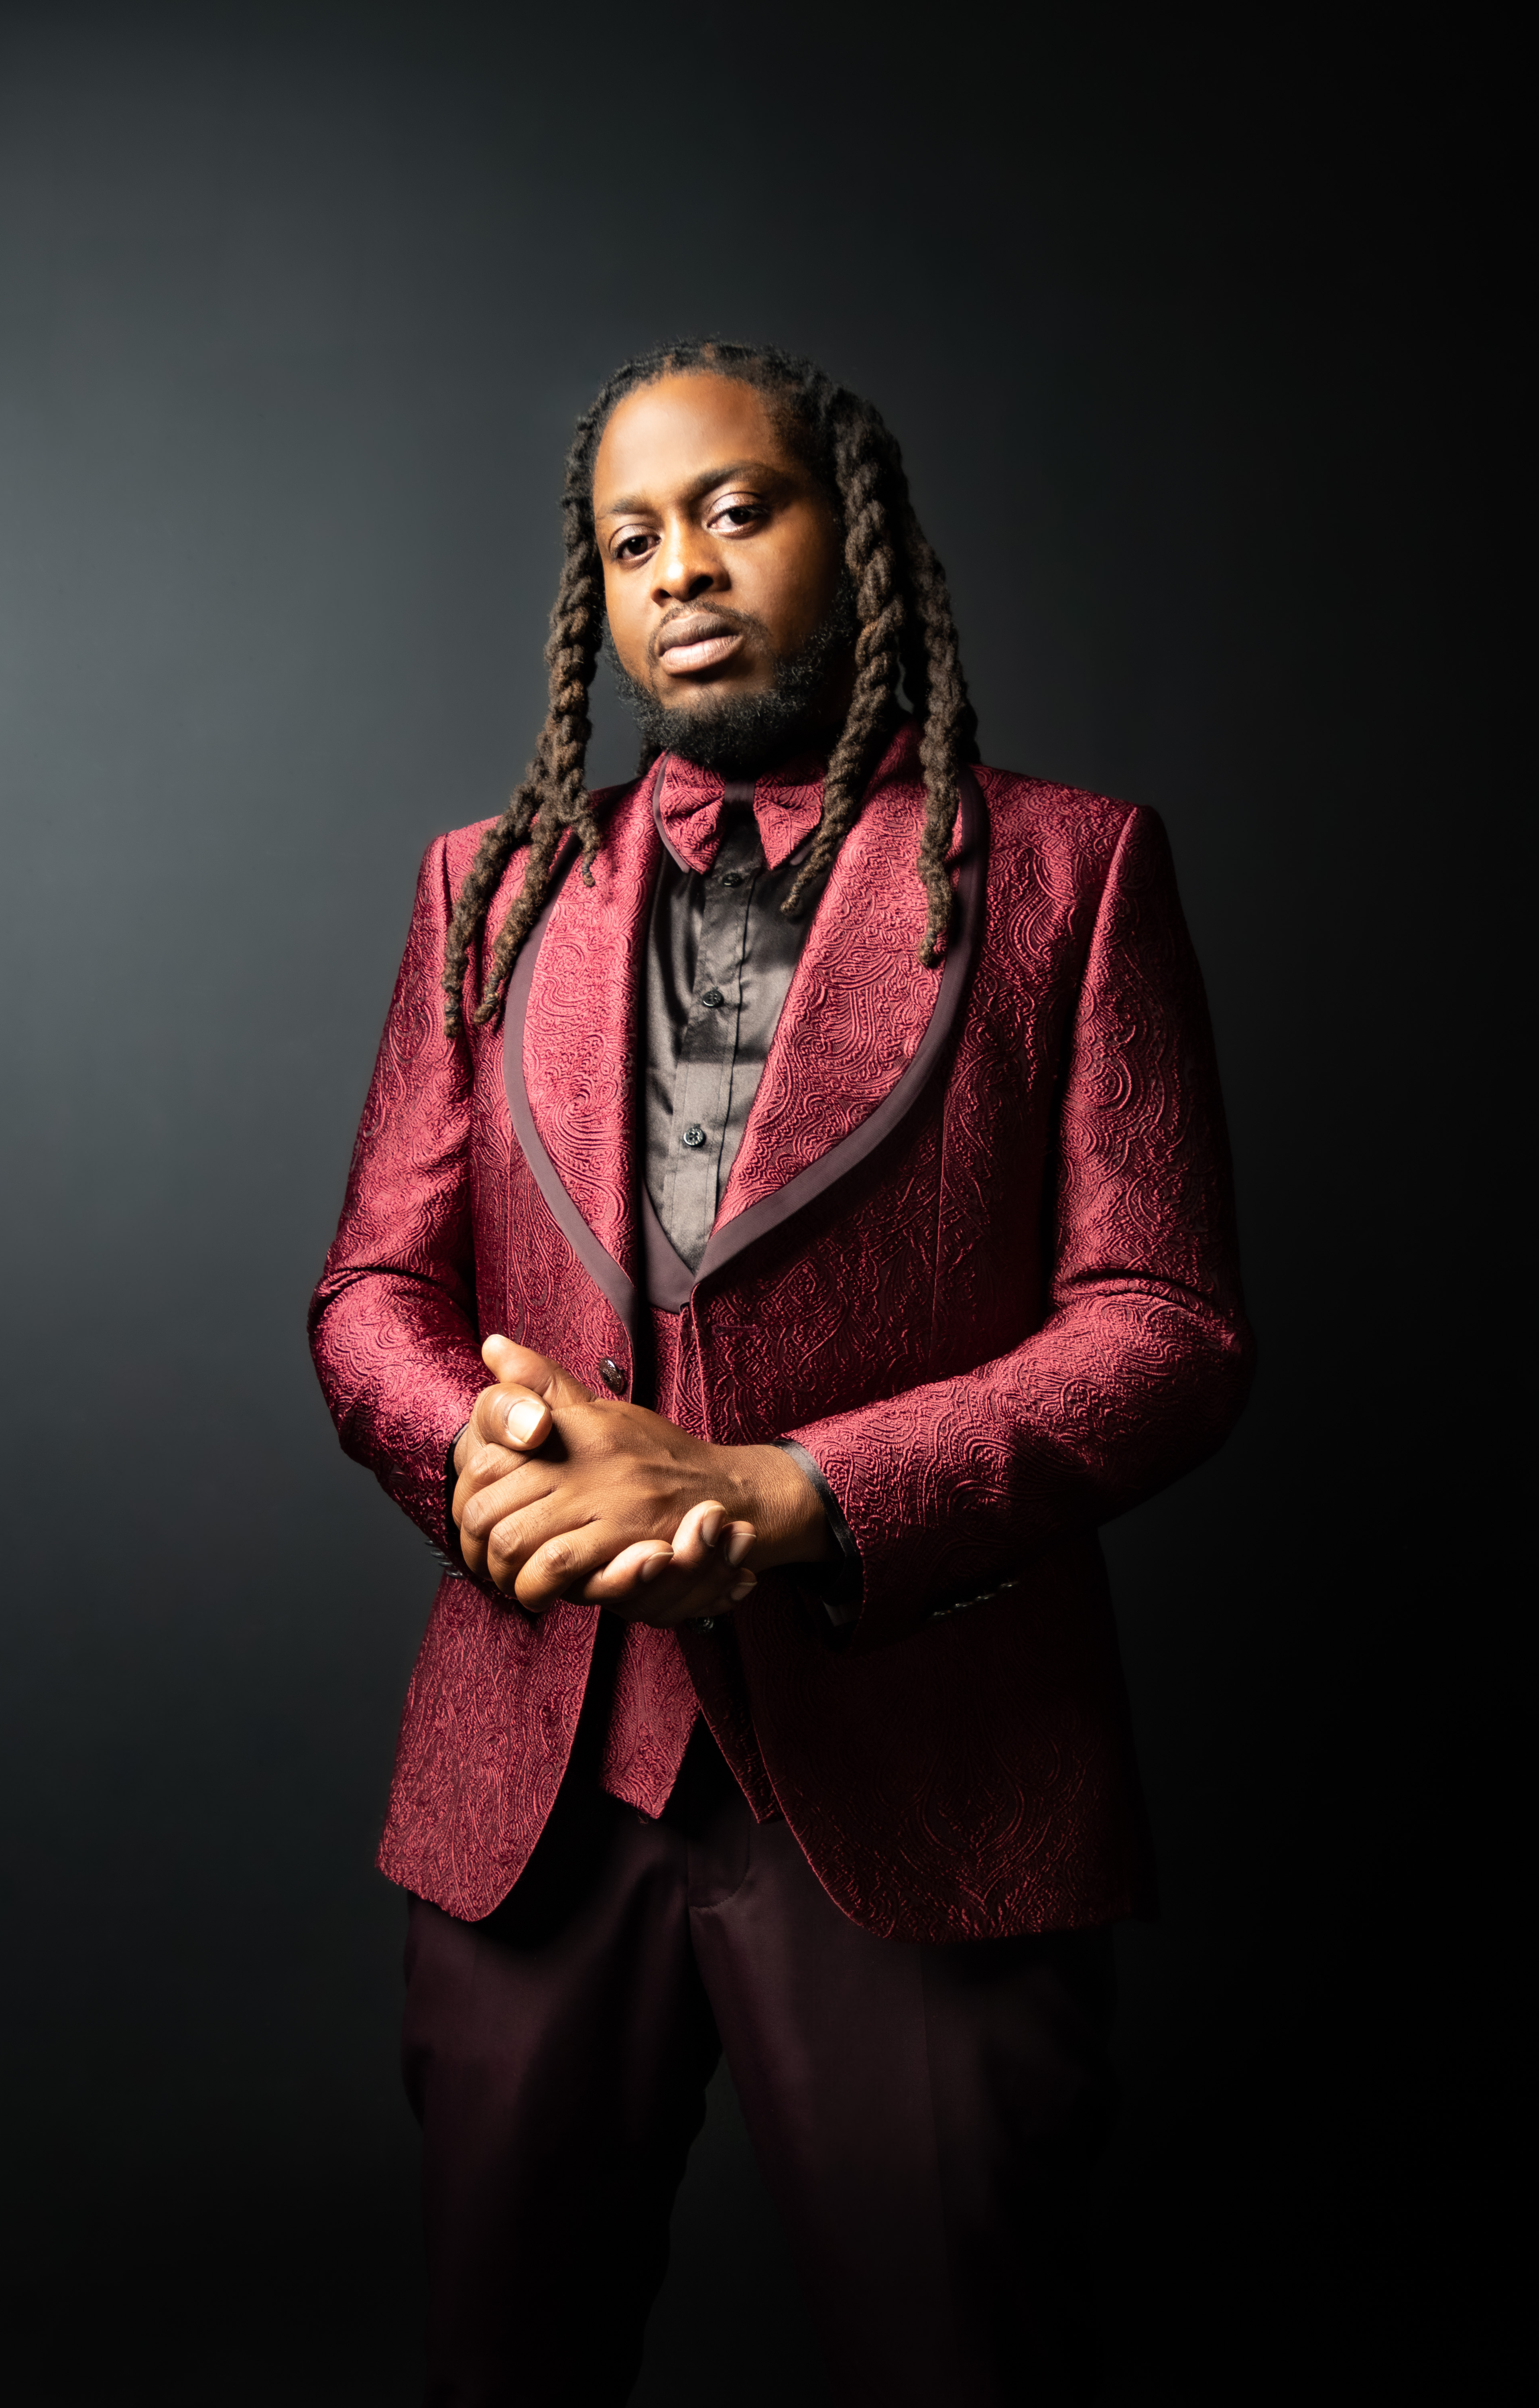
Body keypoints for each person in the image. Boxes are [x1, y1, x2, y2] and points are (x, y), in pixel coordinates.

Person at [309, 340, 1253, 2407]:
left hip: (938, 1775)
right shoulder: (487, 889)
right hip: (542, 1782)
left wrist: (790, 1495)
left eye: (739, 509)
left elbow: (1165, 1325)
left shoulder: (1071, 872)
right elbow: (373, 1288)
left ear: (860, 532)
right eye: (631, 538)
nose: (683, 569)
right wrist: (485, 1452)